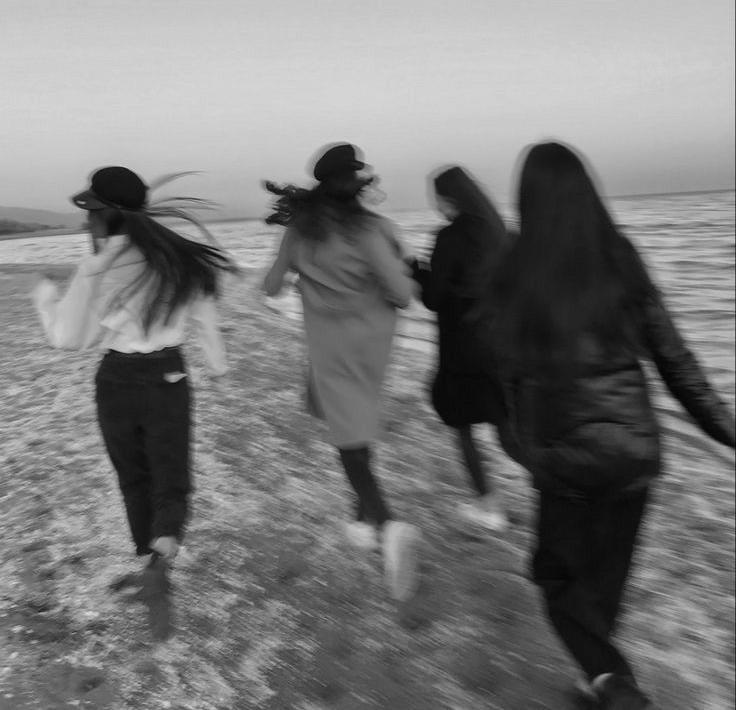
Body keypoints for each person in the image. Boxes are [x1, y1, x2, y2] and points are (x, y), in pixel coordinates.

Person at [491, 142, 735, 710]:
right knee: (603, 580)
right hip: (633, 452)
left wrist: (528, 450)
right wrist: (726, 429)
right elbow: (676, 361)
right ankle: (602, 680)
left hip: (564, 460)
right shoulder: (621, 257)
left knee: (555, 576)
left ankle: (610, 678)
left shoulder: (513, 269)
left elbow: (508, 375)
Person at [31, 166, 237, 640]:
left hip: (116, 380)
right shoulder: (178, 258)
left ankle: (150, 566)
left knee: (133, 480)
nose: (86, 223)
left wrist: (45, 298)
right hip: (168, 374)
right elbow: (206, 318)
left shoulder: (96, 268)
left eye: (90, 213)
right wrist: (219, 365)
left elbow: (68, 338)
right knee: (171, 482)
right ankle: (158, 564)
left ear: (105, 215)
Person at [262, 143, 420, 601]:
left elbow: (271, 286)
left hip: (330, 348)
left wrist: (300, 276)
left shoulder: (300, 232)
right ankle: (361, 521)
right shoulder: (374, 229)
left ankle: (388, 525)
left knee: (349, 439)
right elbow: (402, 293)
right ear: (358, 185)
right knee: (356, 426)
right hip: (371, 346)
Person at [408, 166, 511, 531]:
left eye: (435, 198)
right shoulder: (502, 233)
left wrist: (415, 267)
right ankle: (556, 489)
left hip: (463, 349)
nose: (435, 205)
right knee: (506, 426)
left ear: (447, 198)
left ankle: (488, 503)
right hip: (504, 346)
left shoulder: (449, 236)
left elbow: (434, 298)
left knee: (463, 424)